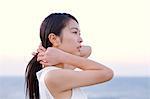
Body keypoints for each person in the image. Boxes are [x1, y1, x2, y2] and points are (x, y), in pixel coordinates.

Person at [25, 13, 114, 99]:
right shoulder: (53, 76)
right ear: (54, 39)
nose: (81, 39)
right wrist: (61, 56)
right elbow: (107, 73)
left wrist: (59, 55)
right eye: (74, 32)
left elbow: (88, 50)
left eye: (79, 34)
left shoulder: (61, 69)